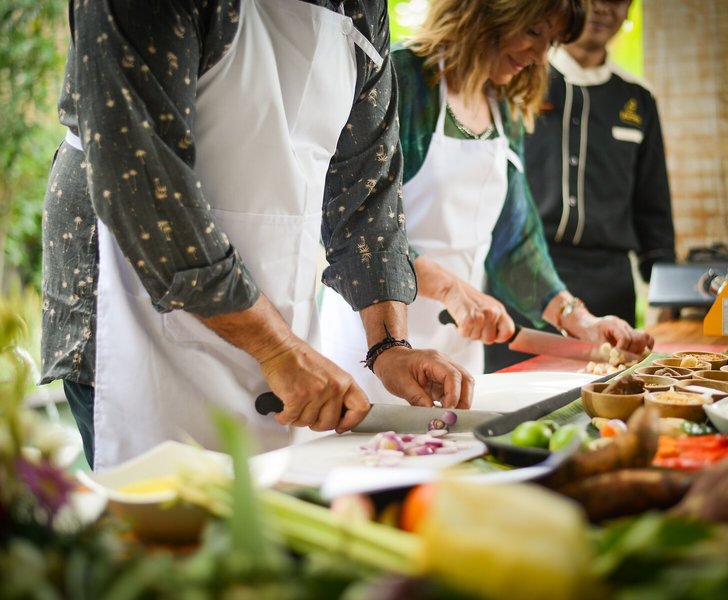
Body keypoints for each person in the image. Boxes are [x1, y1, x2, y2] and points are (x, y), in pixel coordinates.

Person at [40, 0, 473, 471]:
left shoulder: (362, 8)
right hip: (136, 298)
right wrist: (277, 348)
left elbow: (369, 194)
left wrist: (389, 346)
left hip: (275, 313)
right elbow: (144, 187)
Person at [321, 0, 654, 405]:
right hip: (373, 344)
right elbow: (359, 220)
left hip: (458, 350)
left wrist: (578, 319)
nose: (539, 57)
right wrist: (451, 289)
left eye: (549, 42)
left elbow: (516, 243)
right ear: (485, 12)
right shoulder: (400, 77)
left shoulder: (505, 106)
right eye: (533, 32)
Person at [525, 0, 674, 327]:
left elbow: (654, 208)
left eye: (616, 0)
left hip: (611, 287)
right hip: (526, 275)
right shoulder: (521, 77)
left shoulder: (638, 98)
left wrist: (666, 295)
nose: (603, 8)